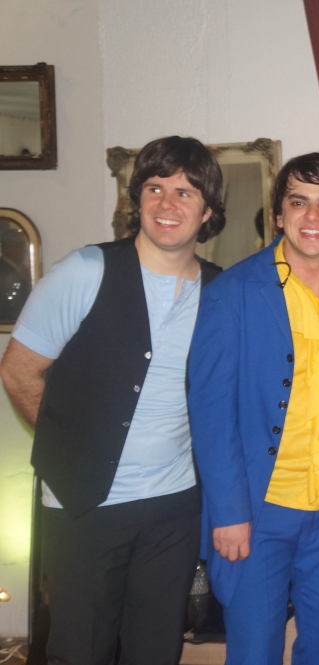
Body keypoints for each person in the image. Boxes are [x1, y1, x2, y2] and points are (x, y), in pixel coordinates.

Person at [0, 136, 225, 664]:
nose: (167, 204)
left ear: (207, 211)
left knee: (155, 650)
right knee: (81, 651)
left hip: (174, 508)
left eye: (185, 192)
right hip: (85, 504)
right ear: (137, 199)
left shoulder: (219, 291)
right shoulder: (85, 271)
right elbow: (19, 371)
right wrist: (72, 449)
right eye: (155, 188)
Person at [187, 152, 319, 664]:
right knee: (254, 651)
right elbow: (212, 414)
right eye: (299, 202)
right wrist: (228, 513)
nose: (313, 217)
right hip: (259, 509)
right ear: (278, 215)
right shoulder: (233, 292)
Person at [0, 226, 32, 321]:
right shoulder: (2, 270)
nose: (23, 249)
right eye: (18, 245)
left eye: (23, 244)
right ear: (5, 248)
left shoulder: (24, 269)